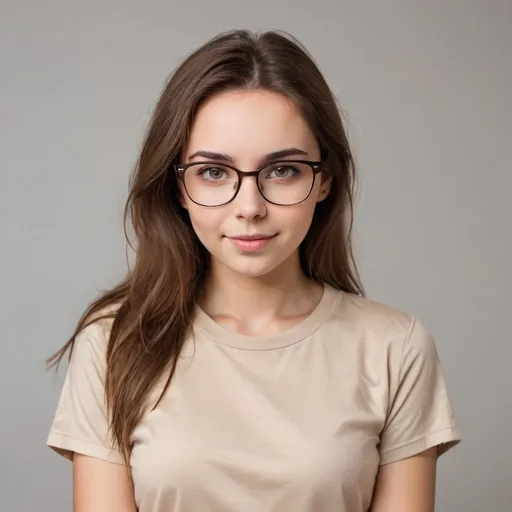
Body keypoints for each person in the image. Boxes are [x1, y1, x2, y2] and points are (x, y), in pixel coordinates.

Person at [46, 29, 461, 512]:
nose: (250, 206)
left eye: (282, 170)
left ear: (324, 179)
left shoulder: (395, 347)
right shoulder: (114, 344)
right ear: (177, 187)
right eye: (213, 171)